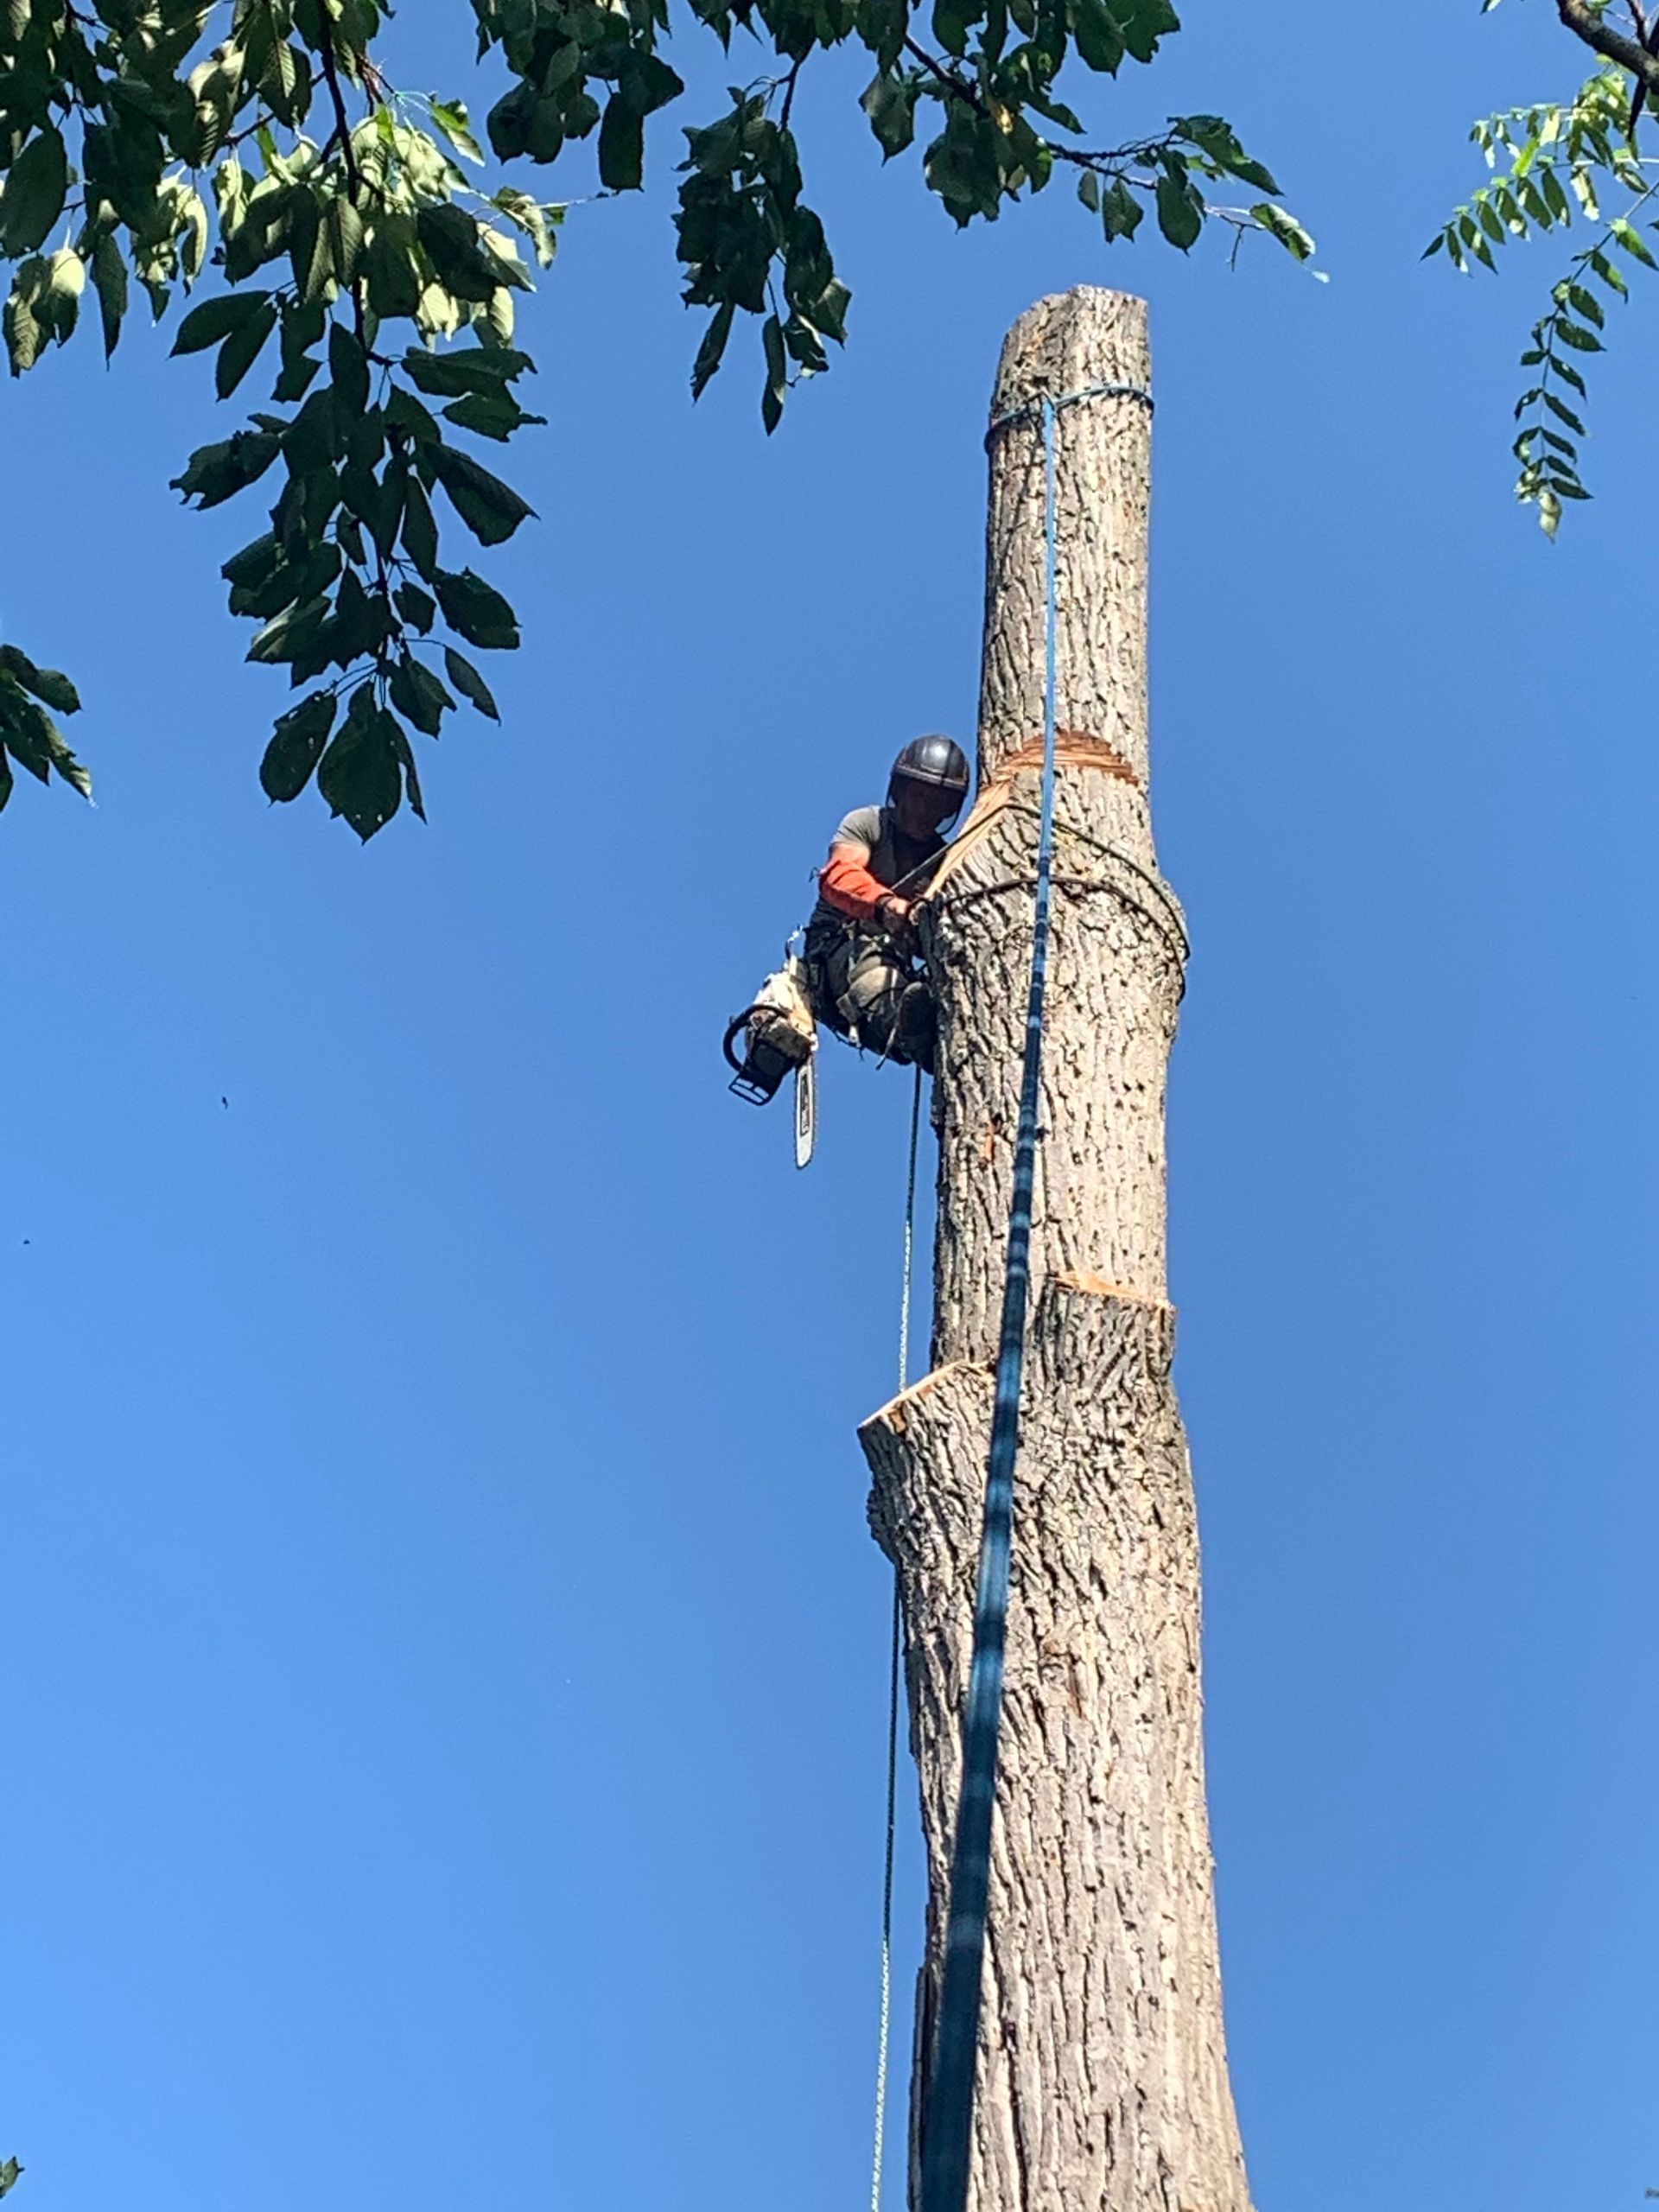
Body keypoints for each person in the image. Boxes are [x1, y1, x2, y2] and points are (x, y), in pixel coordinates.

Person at [802, 734, 971, 1073]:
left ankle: (942, 1041)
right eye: (920, 796)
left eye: (937, 803)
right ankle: (907, 1027)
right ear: (901, 792)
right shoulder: (868, 824)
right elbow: (839, 875)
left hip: (900, 961)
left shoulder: (946, 862)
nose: (925, 810)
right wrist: (885, 905)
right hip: (840, 950)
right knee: (873, 976)